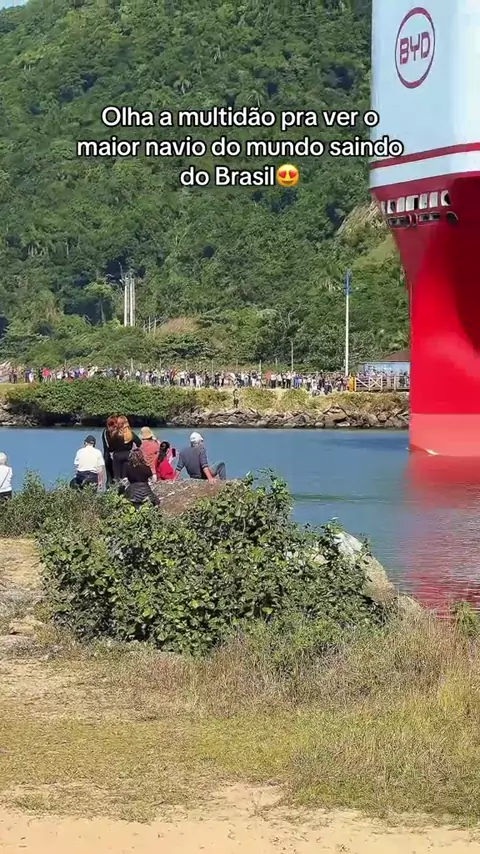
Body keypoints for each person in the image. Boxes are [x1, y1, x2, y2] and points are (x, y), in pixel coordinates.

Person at [102, 415, 141, 482]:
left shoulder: (116, 434)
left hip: (117, 456)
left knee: (116, 476)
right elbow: (139, 442)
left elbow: (111, 448)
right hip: (128, 455)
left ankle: (116, 486)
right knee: (125, 476)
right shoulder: (130, 433)